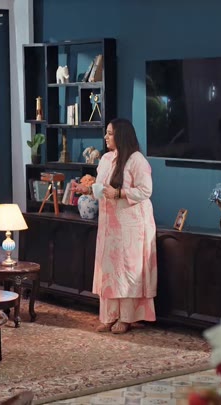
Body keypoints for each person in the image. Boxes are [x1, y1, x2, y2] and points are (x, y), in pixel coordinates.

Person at [74, 118, 157, 334]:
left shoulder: (137, 160)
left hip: (131, 224)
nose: (106, 137)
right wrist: (87, 190)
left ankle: (127, 318)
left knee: (127, 269)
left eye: (110, 133)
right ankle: (109, 316)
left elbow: (146, 191)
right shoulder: (106, 159)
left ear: (121, 135)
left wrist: (120, 193)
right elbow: (102, 188)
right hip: (109, 224)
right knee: (110, 270)